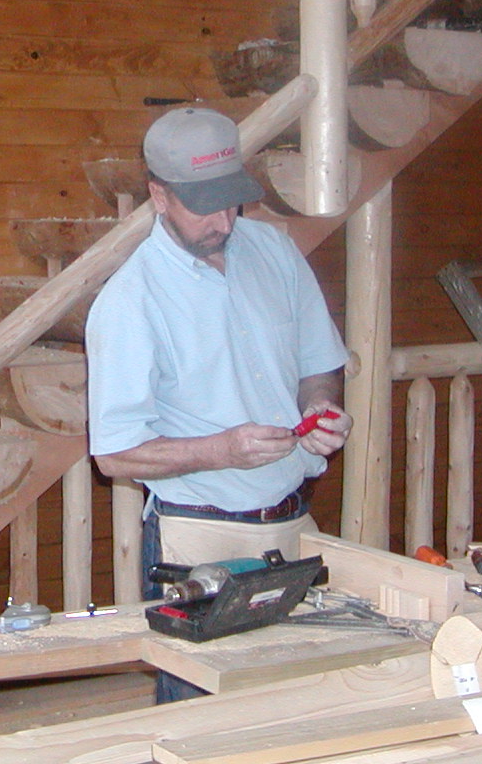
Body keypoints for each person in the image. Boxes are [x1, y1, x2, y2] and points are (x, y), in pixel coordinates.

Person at [85, 105, 353, 701]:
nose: (224, 221)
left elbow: (320, 364)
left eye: (232, 200)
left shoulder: (274, 253)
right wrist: (222, 449)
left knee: (293, 707)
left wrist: (323, 410)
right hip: (199, 540)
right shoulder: (130, 300)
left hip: (293, 529)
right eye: (203, 204)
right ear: (159, 195)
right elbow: (115, 456)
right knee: (200, 723)